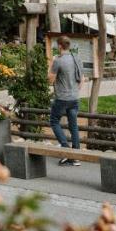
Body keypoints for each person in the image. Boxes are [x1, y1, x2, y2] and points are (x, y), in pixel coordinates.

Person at [48, 36, 84, 166]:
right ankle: (76, 157)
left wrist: (52, 63)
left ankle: (66, 149)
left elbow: (50, 80)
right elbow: (82, 80)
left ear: (59, 46)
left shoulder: (58, 61)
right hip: (75, 98)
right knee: (73, 126)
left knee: (53, 121)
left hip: (62, 98)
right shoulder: (76, 58)